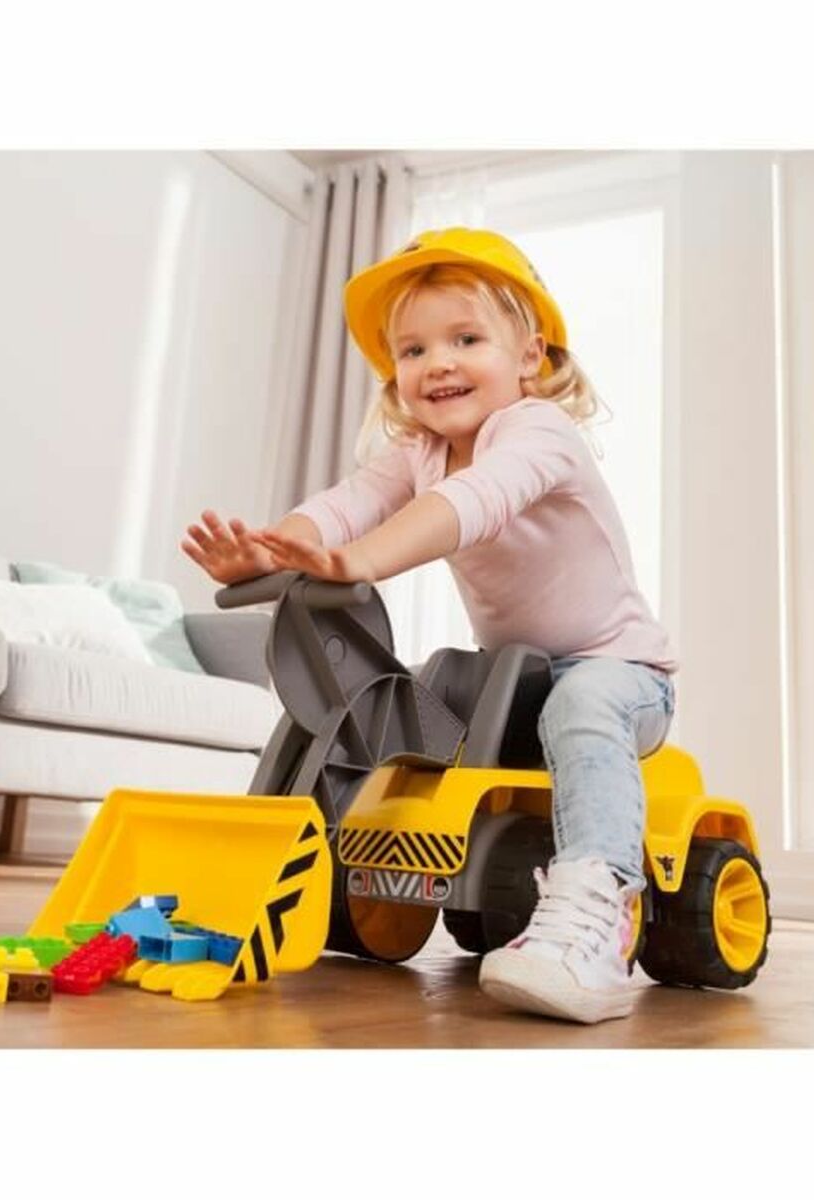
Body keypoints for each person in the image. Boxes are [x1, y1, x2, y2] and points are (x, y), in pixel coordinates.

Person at [181, 227, 676, 1025]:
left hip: (616, 671)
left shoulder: (538, 432)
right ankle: (340, 866)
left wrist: (361, 559)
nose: (437, 362)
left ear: (530, 356)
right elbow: (343, 507)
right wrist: (273, 550)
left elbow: (473, 505)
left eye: (466, 339)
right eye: (413, 350)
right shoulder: (418, 451)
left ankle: (599, 904)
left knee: (582, 704)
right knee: (405, 699)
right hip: (514, 680)